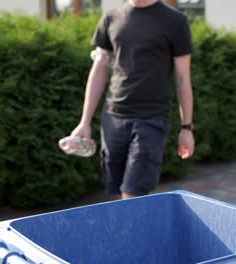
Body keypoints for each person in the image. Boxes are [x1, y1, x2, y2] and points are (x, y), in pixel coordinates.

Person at [70, 0, 194, 199]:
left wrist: (186, 128)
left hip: (152, 119)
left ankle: (136, 229)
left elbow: (182, 78)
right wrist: (84, 122)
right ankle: (131, 230)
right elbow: (99, 69)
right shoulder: (111, 18)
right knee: (115, 191)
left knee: (132, 192)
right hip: (113, 118)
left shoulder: (174, 21)